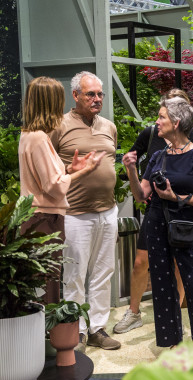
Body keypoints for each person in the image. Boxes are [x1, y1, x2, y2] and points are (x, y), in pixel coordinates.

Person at [113, 88, 193, 334]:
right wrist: (132, 170)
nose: (157, 120)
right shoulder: (156, 152)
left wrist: (184, 196)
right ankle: (167, 337)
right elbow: (141, 193)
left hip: (186, 221)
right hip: (157, 219)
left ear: (177, 120)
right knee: (158, 281)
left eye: (162, 116)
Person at [50, 71, 120, 352]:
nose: (97, 99)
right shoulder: (59, 126)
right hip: (75, 213)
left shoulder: (109, 126)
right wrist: (69, 169)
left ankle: (97, 328)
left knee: (104, 271)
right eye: (90, 94)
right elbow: (49, 168)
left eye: (100, 94)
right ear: (75, 95)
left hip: (108, 210)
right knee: (75, 274)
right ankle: (76, 329)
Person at [18, 76, 104, 305]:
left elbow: (44, 176)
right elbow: (54, 187)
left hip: (36, 218)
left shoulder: (29, 135)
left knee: (43, 282)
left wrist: (68, 168)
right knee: (48, 284)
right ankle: (52, 339)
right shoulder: (38, 138)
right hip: (44, 220)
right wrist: (84, 171)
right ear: (51, 102)